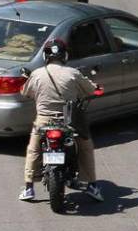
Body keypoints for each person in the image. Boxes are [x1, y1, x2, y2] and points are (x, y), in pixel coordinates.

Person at [19, 38, 103, 203]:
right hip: (69, 121)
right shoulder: (73, 73)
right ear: (64, 55)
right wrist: (97, 89)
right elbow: (91, 90)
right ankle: (92, 185)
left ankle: (29, 187)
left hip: (44, 121)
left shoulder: (37, 74)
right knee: (85, 146)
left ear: (46, 56)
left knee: (33, 149)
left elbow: (25, 92)